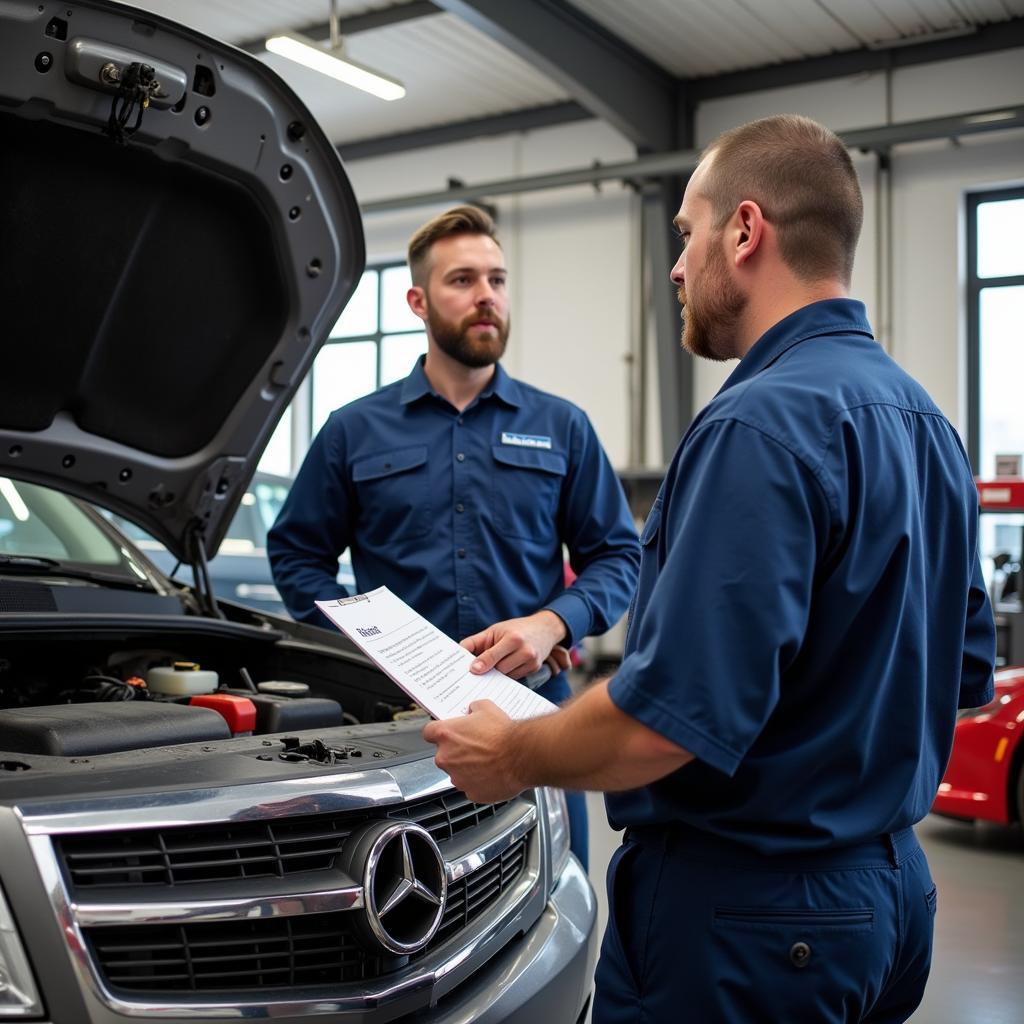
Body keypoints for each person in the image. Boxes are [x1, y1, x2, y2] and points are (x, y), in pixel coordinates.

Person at [423, 115, 996, 1023]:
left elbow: (664, 724)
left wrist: (514, 755)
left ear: (745, 230)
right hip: (891, 903)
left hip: (750, 923)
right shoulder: (925, 422)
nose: (680, 268)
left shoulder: (757, 427)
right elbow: (958, 676)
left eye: (687, 234)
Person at [268, 205, 641, 871]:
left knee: (553, 894)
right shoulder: (354, 431)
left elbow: (617, 556)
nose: (486, 298)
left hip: (535, 723)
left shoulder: (563, 427)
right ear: (417, 300)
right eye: (462, 280)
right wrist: (363, 644)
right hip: (397, 729)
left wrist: (555, 623)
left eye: (497, 280)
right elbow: (298, 554)